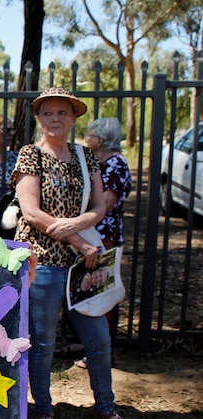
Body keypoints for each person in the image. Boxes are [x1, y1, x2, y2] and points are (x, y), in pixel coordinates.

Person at [12, 87, 143, 419]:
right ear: (39, 119)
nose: (56, 119)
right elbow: (31, 213)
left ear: (73, 118)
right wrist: (76, 236)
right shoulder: (30, 155)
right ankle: (43, 412)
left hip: (84, 265)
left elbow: (101, 206)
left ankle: (106, 409)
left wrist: (80, 226)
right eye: (48, 113)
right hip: (44, 262)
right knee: (42, 344)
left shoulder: (86, 156)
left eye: (63, 113)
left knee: (98, 340)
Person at [58, 117, 132, 363]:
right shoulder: (104, 163)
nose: (86, 139)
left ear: (99, 140)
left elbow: (106, 205)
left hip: (102, 237)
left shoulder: (114, 165)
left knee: (100, 289)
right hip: (94, 234)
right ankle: (85, 343)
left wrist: (77, 225)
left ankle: (101, 349)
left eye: (90, 135)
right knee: (88, 288)